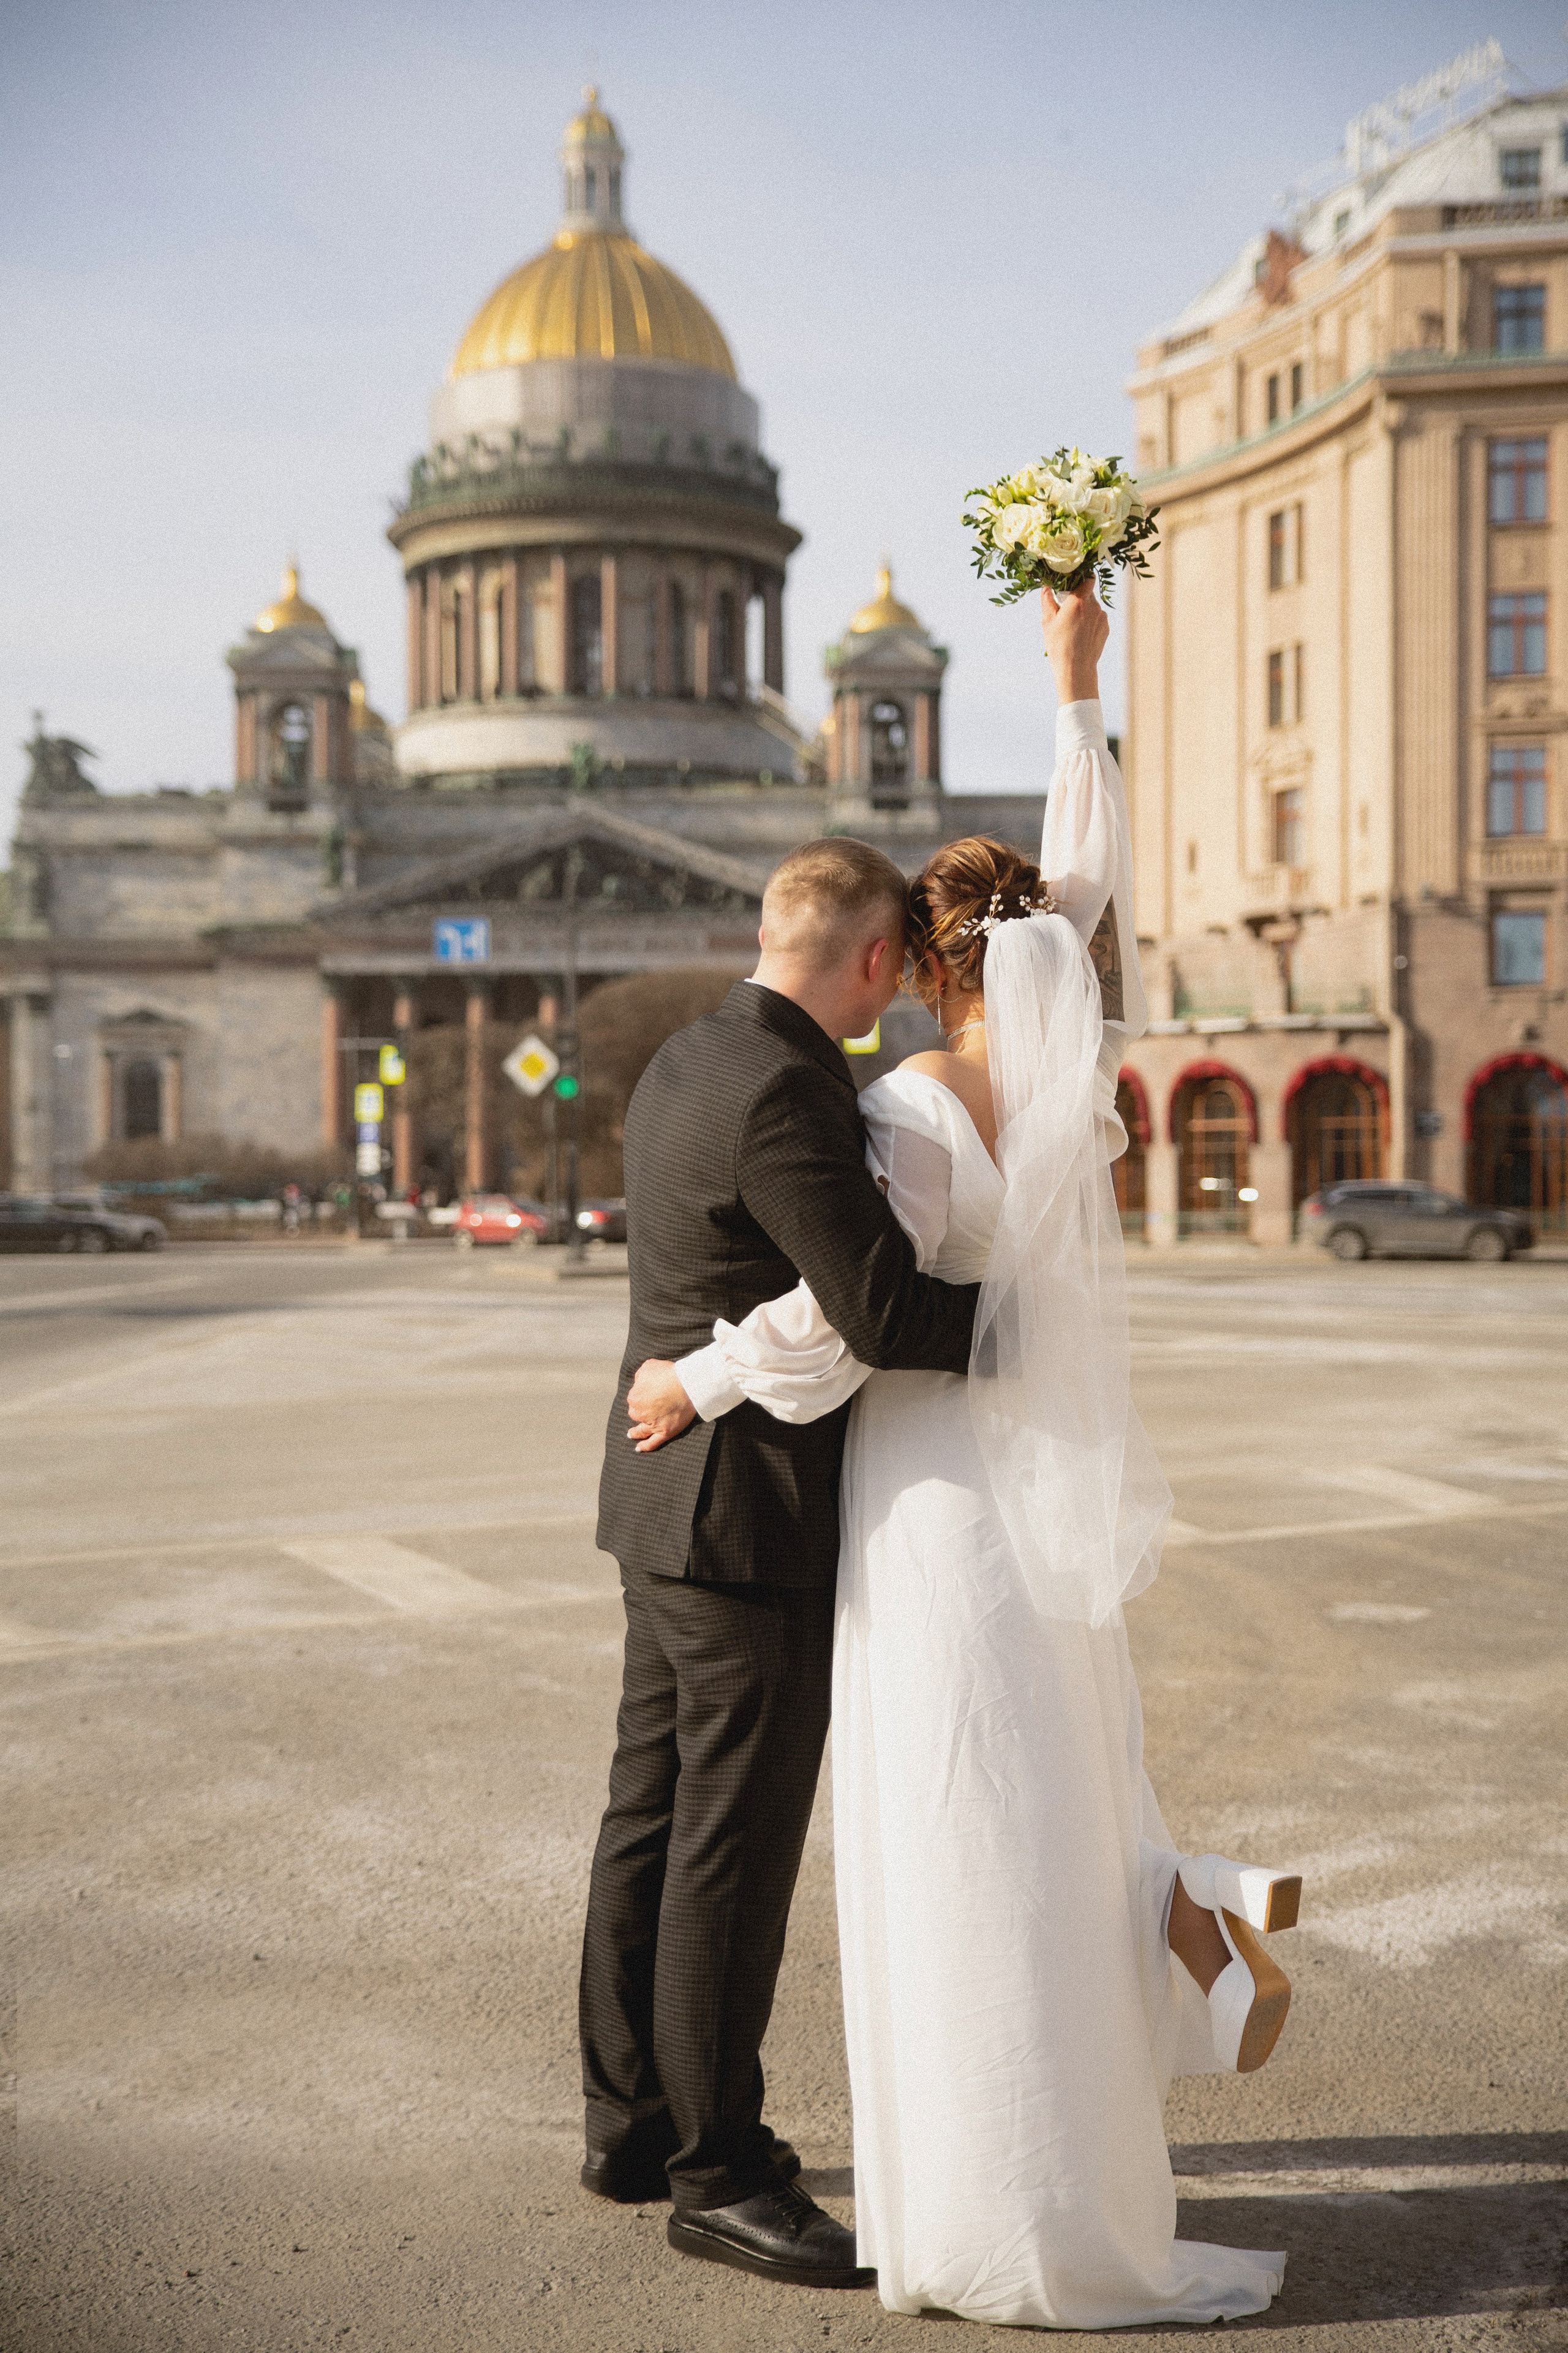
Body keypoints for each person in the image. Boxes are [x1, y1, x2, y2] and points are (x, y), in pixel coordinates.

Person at [624, 583, 1295, 2328]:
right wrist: (1080, 690)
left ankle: (971, 2192)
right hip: (1037, 1500)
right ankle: (1065, 2160)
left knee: (949, 1825)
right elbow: (1085, 890)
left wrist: (694, 1373)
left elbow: (848, 1316)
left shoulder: (910, 1107)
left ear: (917, 966)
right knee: (1050, 1818)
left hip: (922, 1497)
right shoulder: (1076, 1079)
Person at [582, 836, 981, 2289]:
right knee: (727, 1848)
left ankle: (628, 2125)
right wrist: (1030, 1318)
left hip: (657, 1499)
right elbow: (878, 1307)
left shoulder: (686, 1053)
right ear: (876, 961)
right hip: (740, 1517)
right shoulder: (789, 1086)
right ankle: (718, 2171)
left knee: (650, 1812)